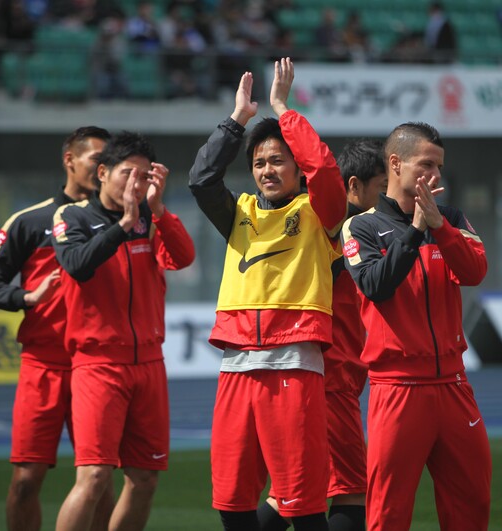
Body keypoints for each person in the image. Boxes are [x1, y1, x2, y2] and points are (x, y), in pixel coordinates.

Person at [188, 58, 347, 531]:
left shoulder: (320, 214)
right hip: (236, 365)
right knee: (231, 501)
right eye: (259, 163)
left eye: (278, 160)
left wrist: (282, 108)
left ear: (297, 169)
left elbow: (325, 169)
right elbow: (200, 179)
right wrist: (236, 122)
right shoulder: (238, 211)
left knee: (303, 505)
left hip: (293, 365)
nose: (266, 170)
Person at [340, 122, 491, 530]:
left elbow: (475, 270)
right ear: (395, 164)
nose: (436, 176)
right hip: (398, 391)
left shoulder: (452, 219)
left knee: (472, 506)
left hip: (454, 387)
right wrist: (418, 228)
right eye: (427, 164)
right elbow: (376, 285)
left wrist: (439, 226)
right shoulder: (361, 227)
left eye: (439, 167)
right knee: (388, 514)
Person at [52, 131, 195, 531]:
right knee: (95, 475)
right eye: (128, 173)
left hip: (149, 363)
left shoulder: (153, 218)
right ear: (102, 172)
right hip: (99, 365)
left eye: (146, 174)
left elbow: (183, 257)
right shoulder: (73, 217)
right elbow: (78, 264)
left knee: (145, 479)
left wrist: (158, 210)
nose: (137, 182)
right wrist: (124, 225)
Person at [0, 126, 115, 531]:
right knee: (25, 481)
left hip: (99, 365)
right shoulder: (28, 221)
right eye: (95, 160)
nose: (104, 169)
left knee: (99, 480)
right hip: (44, 365)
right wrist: (26, 297)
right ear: (70, 160)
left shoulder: (121, 222)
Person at [260, 139, 387, 531]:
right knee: (348, 488)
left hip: (322, 373)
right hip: (330, 377)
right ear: (352, 187)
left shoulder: (343, 229)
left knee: (290, 493)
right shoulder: (338, 229)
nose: (387, 199)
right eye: (382, 188)